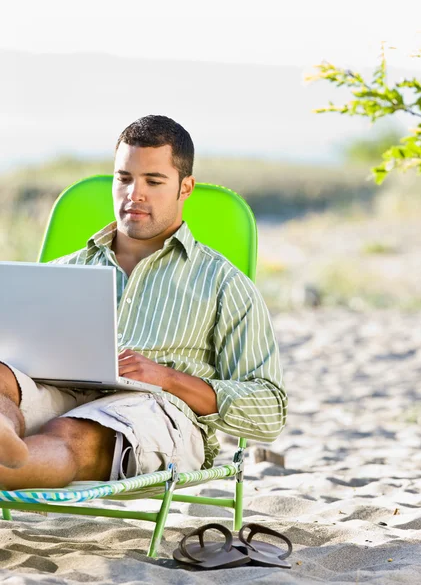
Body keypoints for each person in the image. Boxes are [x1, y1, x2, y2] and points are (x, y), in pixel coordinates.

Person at [0, 115, 288, 490]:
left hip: (155, 411)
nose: (135, 193)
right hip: (59, 393)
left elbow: (269, 411)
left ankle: (10, 461)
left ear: (186, 188)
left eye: (154, 181)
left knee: (71, 433)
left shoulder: (223, 283)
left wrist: (167, 378)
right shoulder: (62, 272)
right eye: (124, 178)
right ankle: (5, 433)